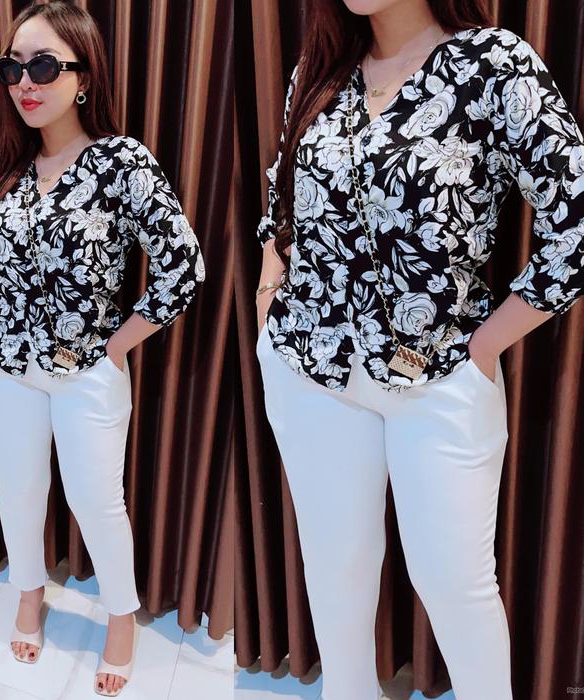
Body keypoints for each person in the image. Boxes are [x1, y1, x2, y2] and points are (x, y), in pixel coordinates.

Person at [254, 1, 583, 698]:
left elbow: (576, 220)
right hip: (308, 367)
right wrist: (268, 286)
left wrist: (486, 344)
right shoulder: (319, 68)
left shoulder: (492, 65)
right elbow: (283, 189)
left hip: (439, 378)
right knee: (335, 571)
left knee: (455, 583)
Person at [0, 2, 205, 696]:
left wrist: (117, 345)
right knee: (18, 488)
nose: (25, 82)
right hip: (0, 363)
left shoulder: (121, 162)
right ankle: (29, 592)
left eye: (44, 65)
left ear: (84, 77)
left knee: (97, 500)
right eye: (13, 67)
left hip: (84, 372)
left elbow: (184, 266)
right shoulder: (7, 164)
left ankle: (121, 617)